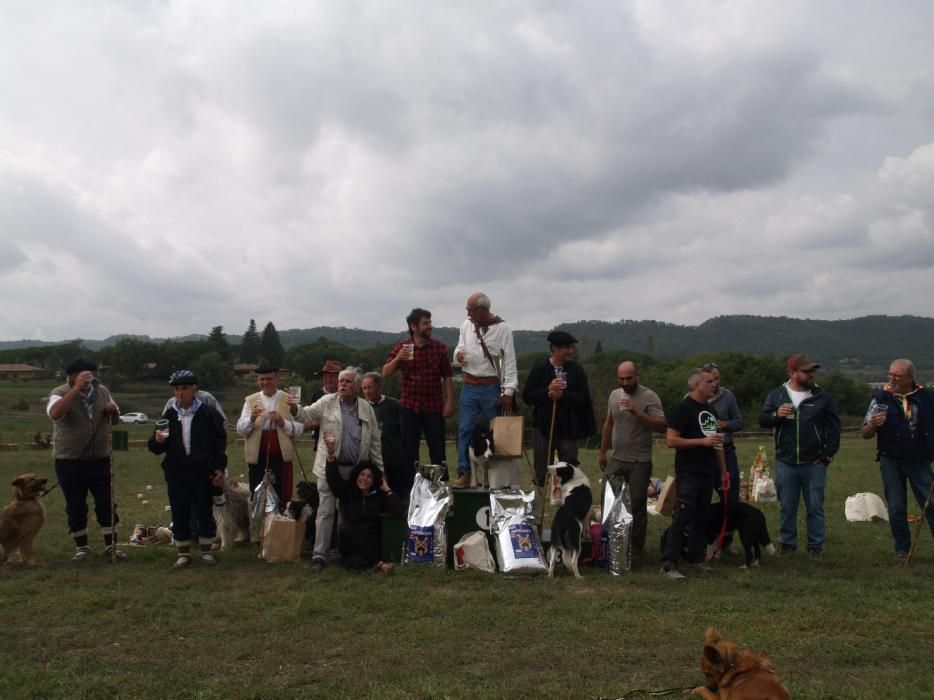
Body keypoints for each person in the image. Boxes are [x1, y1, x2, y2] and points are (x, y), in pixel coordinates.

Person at [298, 366, 384, 572]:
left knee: (350, 514)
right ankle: (319, 555)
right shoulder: (328, 402)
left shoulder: (366, 408)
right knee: (326, 511)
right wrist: (293, 407)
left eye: (347, 382)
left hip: (355, 470)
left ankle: (345, 550)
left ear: (356, 387)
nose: (342, 385)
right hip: (330, 468)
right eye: (340, 381)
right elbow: (306, 414)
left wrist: (380, 472)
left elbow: (374, 442)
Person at [759, 353, 840, 560]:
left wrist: (826, 457)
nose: (811, 374)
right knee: (787, 506)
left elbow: (833, 429)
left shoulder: (822, 397)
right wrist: (776, 415)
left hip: (814, 463)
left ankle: (815, 547)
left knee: (815, 506)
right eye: (806, 371)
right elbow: (763, 420)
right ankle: (787, 545)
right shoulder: (777, 395)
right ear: (792, 372)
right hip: (786, 462)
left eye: (813, 370)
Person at [47, 358, 126, 562]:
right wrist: (75, 390)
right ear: (72, 376)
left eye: (90, 372)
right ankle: (82, 547)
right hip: (69, 459)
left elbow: (116, 420)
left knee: (106, 503)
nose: (88, 376)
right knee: (76, 505)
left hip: (100, 458)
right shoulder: (60, 392)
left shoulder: (103, 391)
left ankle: (111, 545)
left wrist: (113, 411)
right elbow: (55, 414)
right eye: (83, 373)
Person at [147, 371, 227, 569]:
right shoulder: (169, 415)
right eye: (176, 389)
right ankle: (183, 553)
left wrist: (219, 467)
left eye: (184, 388)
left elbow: (220, 442)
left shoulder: (208, 413)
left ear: (194, 390)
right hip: (177, 472)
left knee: (204, 511)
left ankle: (206, 552)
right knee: (180, 512)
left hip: (202, 471)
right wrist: (157, 441)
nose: (180, 393)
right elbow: (156, 448)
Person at [860, 359, 934, 559]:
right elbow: (865, 433)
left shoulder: (927, 398)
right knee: (896, 507)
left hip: (920, 460)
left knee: (931, 503)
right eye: (890, 374)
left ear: (910, 377)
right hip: (890, 460)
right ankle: (902, 549)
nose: (892, 378)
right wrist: (874, 425)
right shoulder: (881, 398)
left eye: (897, 376)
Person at [661, 366, 728, 579]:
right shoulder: (683, 408)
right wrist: (702, 441)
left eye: (714, 381)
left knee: (702, 517)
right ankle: (669, 563)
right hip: (689, 472)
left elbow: (717, 444)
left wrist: (724, 472)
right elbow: (671, 440)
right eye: (710, 381)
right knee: (682, 517)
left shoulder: (711, 411)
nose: (715, 384)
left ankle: (697, 559)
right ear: (697, 385)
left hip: (707, 472)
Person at [522, 331, 597, 522]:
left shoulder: (576, 370)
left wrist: (564, 396)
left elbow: (584, 399)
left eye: (571, 347)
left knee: (570, 471)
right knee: (540, 472)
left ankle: (570, 516)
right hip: (544, 429)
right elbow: (528, 396)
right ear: (555, 348)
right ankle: (536, 518)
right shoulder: (540, 369)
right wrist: (547, 391)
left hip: (568, 431)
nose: (570, 351)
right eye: (566, 348)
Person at [598, 361, 667, 556]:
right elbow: (608, 424)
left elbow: (662, 425)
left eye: (629, 378)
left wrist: (637, 411)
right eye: (621, 379)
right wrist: (603, 452)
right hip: (617, 457)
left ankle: (636, 548)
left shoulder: (649, 396)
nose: (625, 382)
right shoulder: (614, 395)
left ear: (637, 376)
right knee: (607, 498)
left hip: (640, 459)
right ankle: (608, 543)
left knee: (636, 504)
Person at [450, 292, 518, 488]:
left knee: (497, 432)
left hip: (492, 386)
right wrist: (458, 355)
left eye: (470, 310)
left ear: (483, 310)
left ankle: (498, 476)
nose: (468, 314)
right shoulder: (466, 326)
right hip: (470, 384)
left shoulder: (503, 329)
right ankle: (464, 472)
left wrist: (508, 392)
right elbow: (459, 349)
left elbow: (510, 361)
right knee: (465, 429)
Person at [383, 308, 454, 491]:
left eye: (430, 322)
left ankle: (443, 491)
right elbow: (385, 372)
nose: (430, 326)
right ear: (413, 327)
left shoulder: (439, 347)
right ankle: (411, 491)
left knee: (438, 451)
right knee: (409, 453)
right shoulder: (403, 347)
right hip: (409, 407)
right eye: (425, 323)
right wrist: (398, 358)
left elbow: (447, 375)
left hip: (434, 406)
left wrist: (449, 402)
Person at [236, 365, 304, 508]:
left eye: (269, 379)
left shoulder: (288, 398)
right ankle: (260, 528)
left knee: (281, 496)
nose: (266, 382)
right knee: (258, 496)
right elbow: (240, 429)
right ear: (258, 380)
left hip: (281, 456)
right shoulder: (250, 400)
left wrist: (282, 422)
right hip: (258, 456)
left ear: (276, 378)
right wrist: (252, 419)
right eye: (262, 379)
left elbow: (299, 429)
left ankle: (280, 527)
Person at [325, 460, 404, 573]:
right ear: (356, 475)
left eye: (369, 477)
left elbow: (399, 510)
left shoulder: (378, 497)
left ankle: (370, 561)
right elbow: (334, 480)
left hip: (370, 543)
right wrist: (331, 459)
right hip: (350, 542)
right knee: (346, 529)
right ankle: (379, 564)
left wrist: (387, 489)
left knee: (356, 563)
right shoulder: (348, 493)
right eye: (362, 474)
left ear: (374, 481)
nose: (365, 479)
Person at [701, 361, 744, 552]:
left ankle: (726, 541)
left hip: (726, 452)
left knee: (730, 499)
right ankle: (704, 540)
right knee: (702, 498)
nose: (715, 383)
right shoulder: (692, 399)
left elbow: (739, 421)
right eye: (711, 379)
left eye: (717, 378)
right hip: (703, 455)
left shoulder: (727, 396)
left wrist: (724, 424)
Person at [361, 372, 405, 496]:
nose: (367, 391)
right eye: (364, 388)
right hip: (372, 461)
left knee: (395, 493)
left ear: (379, 387)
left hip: (394, 460)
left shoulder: (395, 405)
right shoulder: (361, 408)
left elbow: (404, 433)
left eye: (370, 387)